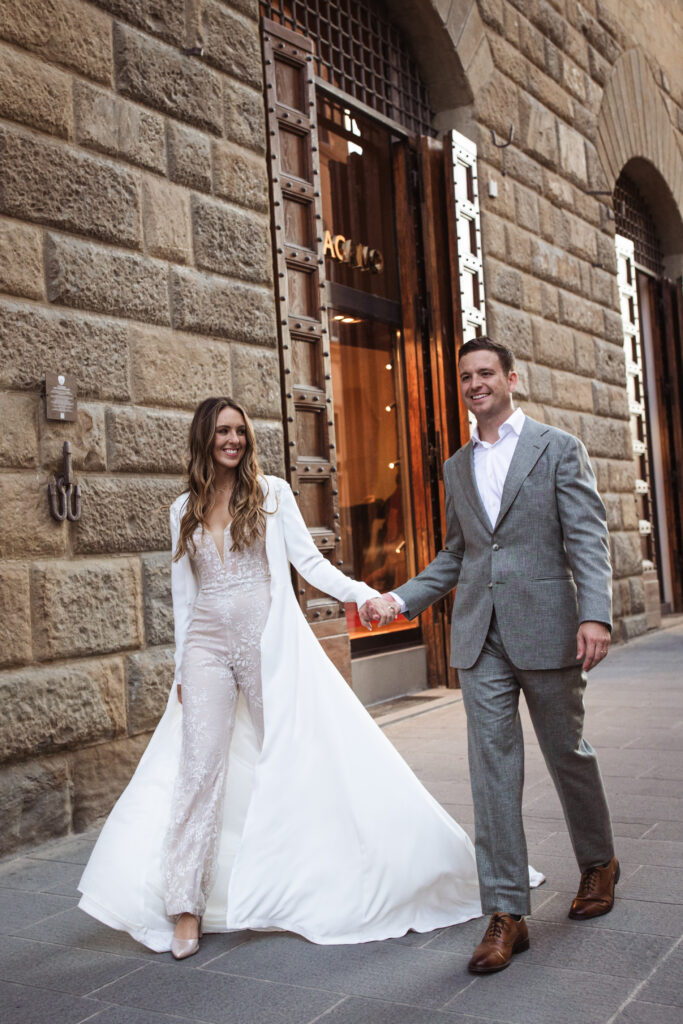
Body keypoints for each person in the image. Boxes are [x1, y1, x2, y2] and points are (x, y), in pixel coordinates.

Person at [79, 396, 539, 958]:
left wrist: (369, 595)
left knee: (289, 755)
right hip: (204, 647)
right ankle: (184, 905)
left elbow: (310, 564)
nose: (234, 440)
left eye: (240, 431)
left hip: (265, 642)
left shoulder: (270, 494)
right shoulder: (183, 509)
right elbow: (182, 598)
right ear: (204, 438)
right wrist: (180, 668)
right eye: (223, 432)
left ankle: (303, 878)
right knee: (197, 769)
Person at [363, 337, 618, 974]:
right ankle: (506, 912)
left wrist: (595, 613)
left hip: (548, 625)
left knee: (568, 752)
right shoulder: (456, 466)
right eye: (466, 376)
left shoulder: (558, 449)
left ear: (511, 378)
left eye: (486, 373)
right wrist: (400, 600)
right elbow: (457, 554)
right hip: (481, 635)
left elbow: (586, 533)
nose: (476, 383)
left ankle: (598, 862)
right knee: (491, 769)